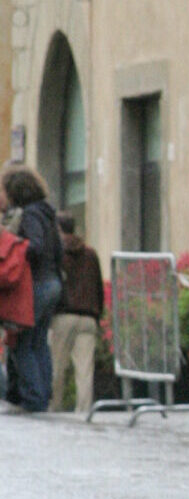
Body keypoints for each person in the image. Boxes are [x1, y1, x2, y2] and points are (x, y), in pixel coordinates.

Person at [1, 166, 64, 412]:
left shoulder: (30, 215)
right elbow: (57, 251)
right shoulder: (47, 213)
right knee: (38, 342)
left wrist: (14, 248)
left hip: (36, 285)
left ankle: (33, 398)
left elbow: (34, 246)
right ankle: (42, 395)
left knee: (23, 342)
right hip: (52, 283)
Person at [49, 211, 104, 413]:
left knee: (57, 367)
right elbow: (98, 286)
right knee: (85, 370)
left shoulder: (57, 252)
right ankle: (84, 411)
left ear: (58, 229)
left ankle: (53, 408)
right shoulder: (91, 254)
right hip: (89, 316)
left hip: (64, 315)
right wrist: (98, 314)